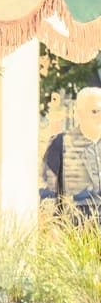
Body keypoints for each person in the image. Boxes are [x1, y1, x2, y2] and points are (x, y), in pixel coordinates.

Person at [42, 86, 101, 218]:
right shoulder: (61, 143)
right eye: (95, 111)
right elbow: (47, 189)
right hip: (77, 226)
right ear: (79, 114)